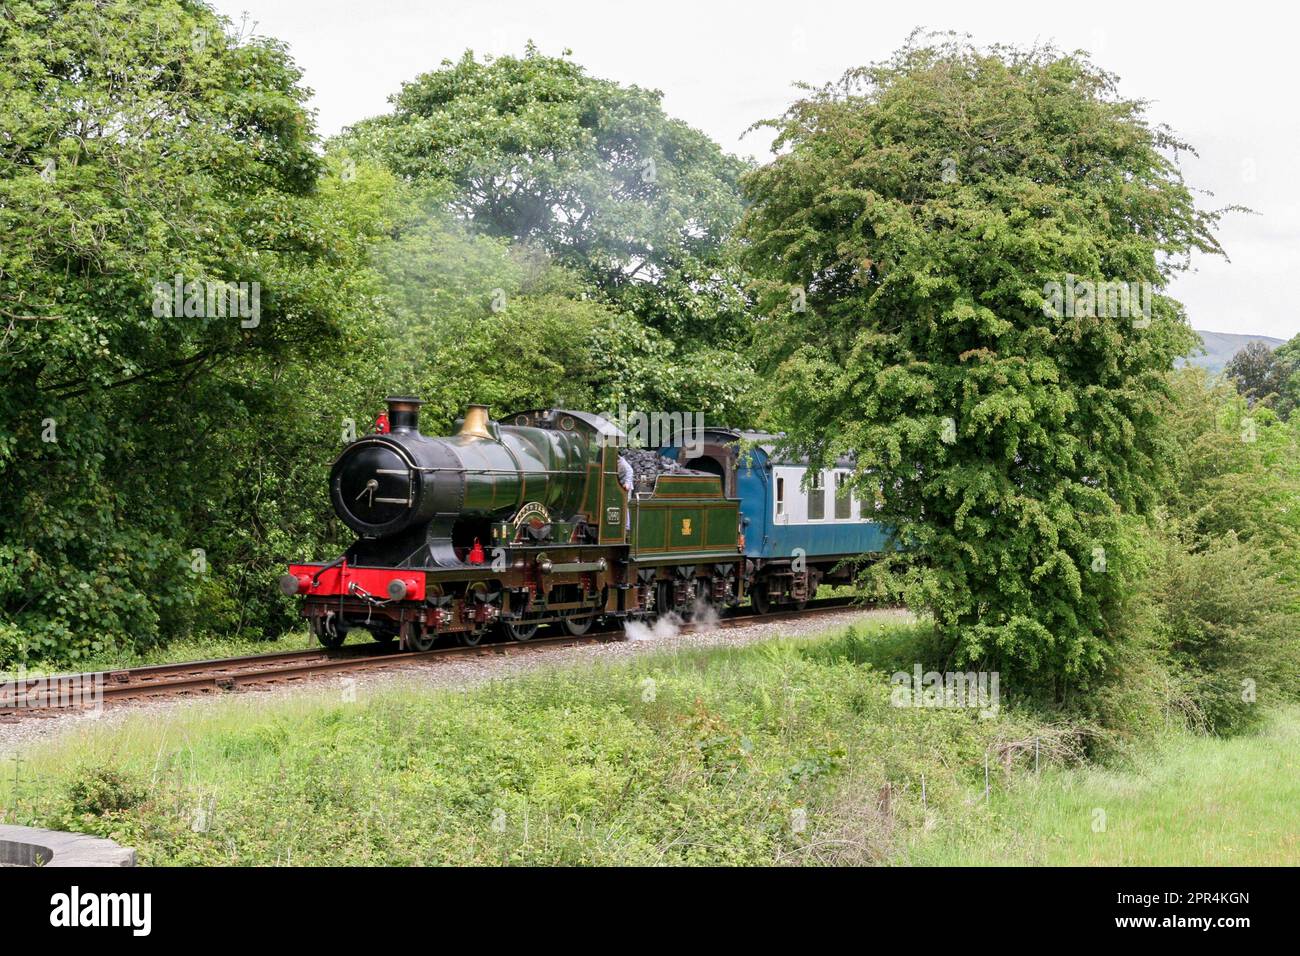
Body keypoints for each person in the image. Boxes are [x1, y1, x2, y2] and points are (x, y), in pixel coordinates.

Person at [618, 453, 634, 534]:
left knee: (625, 505)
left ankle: (627, 527)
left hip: (626, 486)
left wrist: (627, 483)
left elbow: (630, 471)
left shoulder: (622, 462)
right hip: (620, 484)